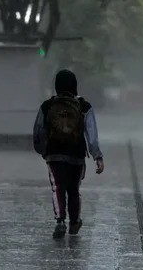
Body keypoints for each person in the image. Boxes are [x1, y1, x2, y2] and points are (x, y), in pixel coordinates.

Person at [33, 69, 104, 239]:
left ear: (56, 85)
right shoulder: (84, 106)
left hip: (54, 154)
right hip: (76, 154)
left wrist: (42, 149)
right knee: (74, 189)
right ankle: (74, 221)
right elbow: (91, 133)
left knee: (57, 187)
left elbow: (38, 130)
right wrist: (98, 156)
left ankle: (60, 221)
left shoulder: (47, 105)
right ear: (75, 85)